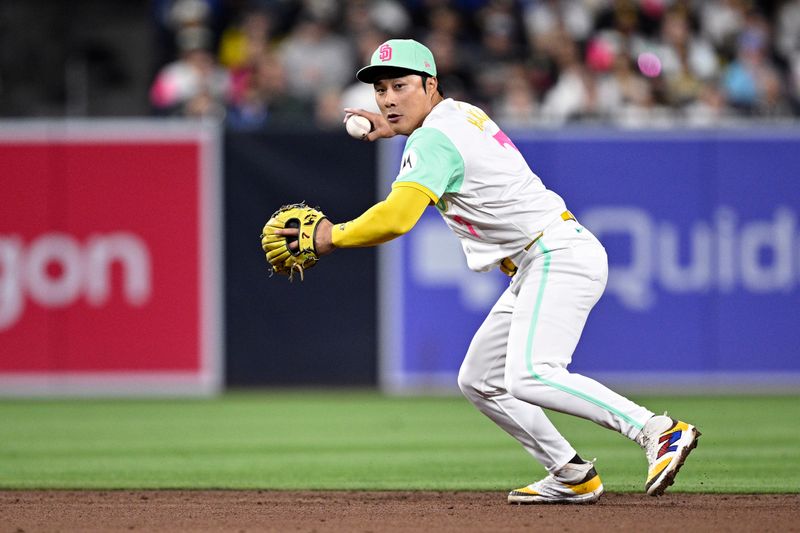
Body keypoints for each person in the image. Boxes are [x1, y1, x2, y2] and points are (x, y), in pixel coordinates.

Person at [272, 39, 701, 504]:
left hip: (555, 255)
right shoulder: (456, 115)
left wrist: (332, 236)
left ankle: (657, 430)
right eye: (380, 90)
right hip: (543, 256)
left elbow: (397, 218)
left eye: (400, 85)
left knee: (531, 374)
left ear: (430, 84)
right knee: (480, 379)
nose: (388, 98)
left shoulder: (433, 138)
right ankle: (571, 474)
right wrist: (400, 131)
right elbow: (445, 147)